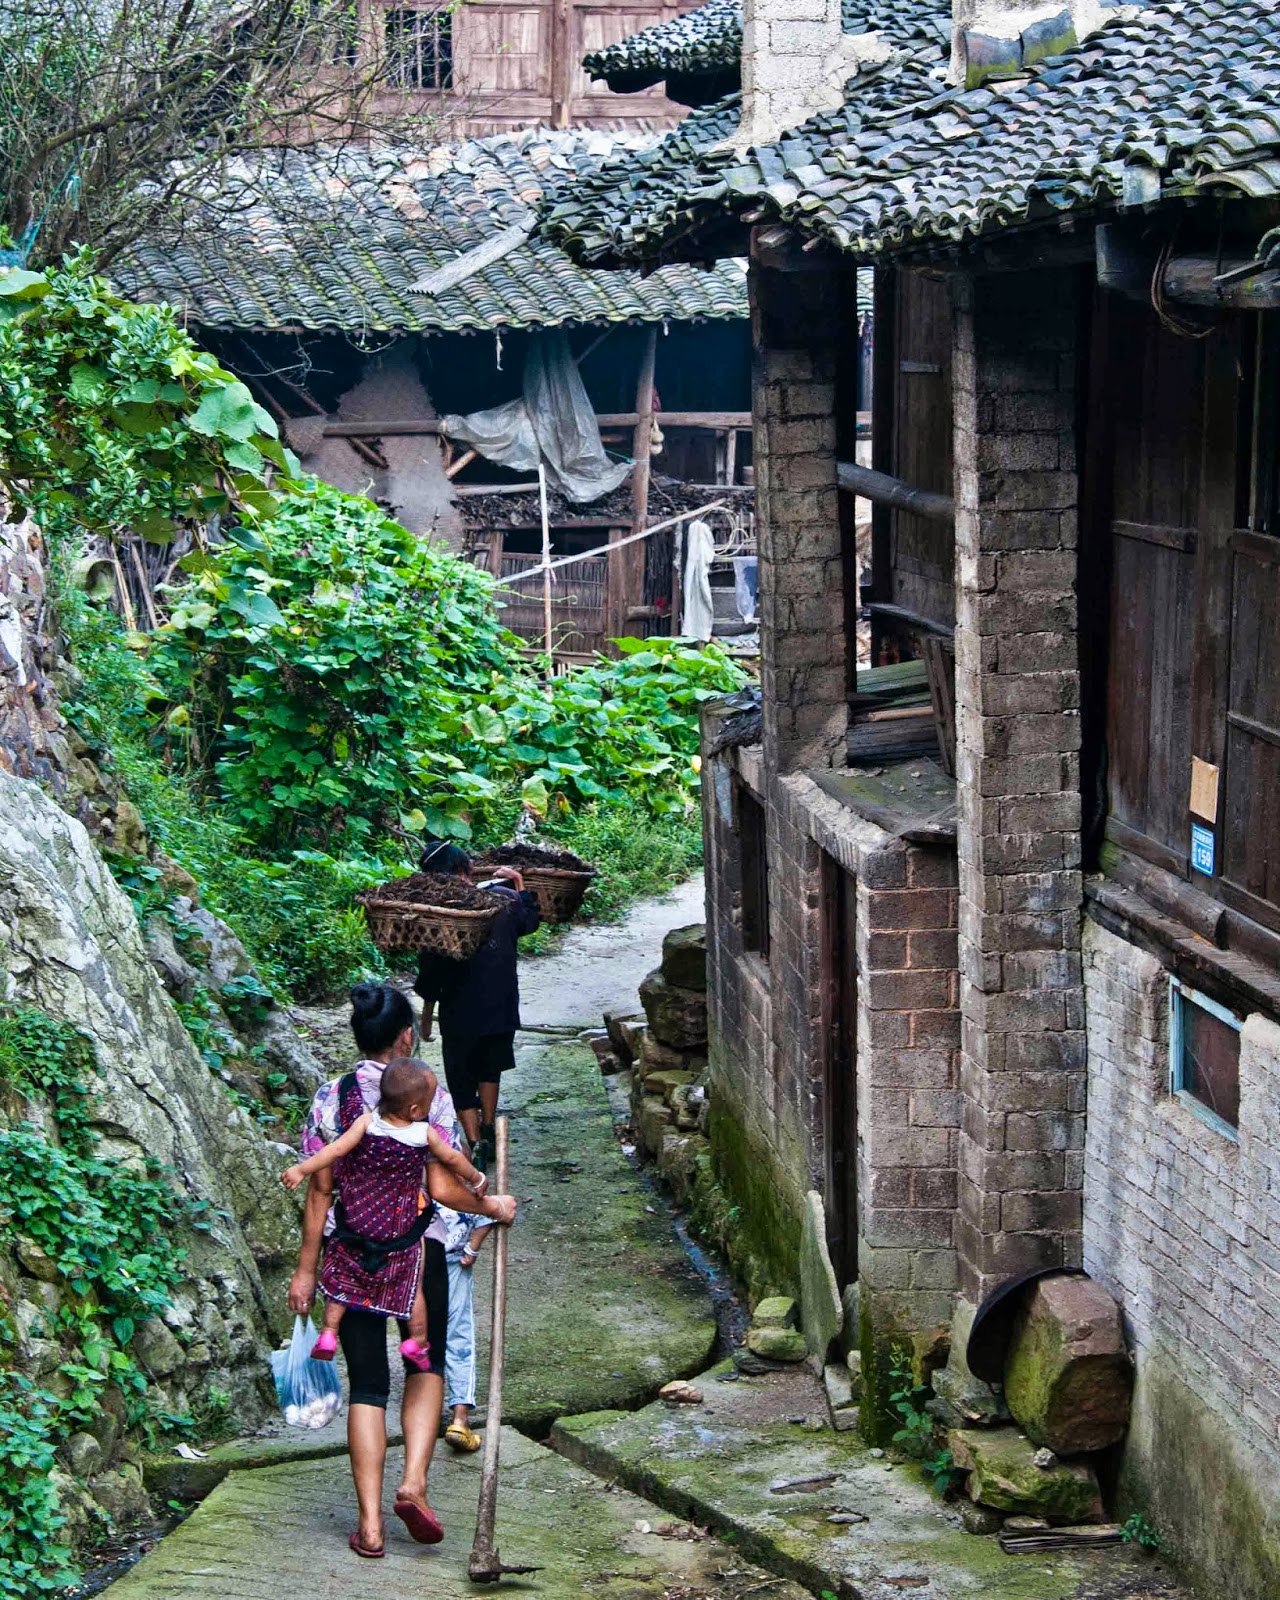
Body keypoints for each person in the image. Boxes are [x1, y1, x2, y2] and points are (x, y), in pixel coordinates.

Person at [287, 982, 517, 1560]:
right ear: (406, 1036)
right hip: (419, 1256)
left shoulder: (329, 1098)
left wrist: (305, 1272)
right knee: (427, 1362)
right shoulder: (428, 1097)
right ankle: (413, 1484)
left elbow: (320, 1189)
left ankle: (368, 1528)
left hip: (349, 1259)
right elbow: (443, 1185)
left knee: (366, 1384)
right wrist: (492, 1206)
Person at [280, 1058, 489, 1372]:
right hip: (399, 1227)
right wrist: (477, 1179)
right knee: (411, 1285)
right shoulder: (424, 1133)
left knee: (345, 1282)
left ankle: (328, 1333)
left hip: (359, 1221)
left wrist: (300, 1169)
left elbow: (333, 1152)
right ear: (416, 1110)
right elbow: (453, 1159)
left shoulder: (365, 1122)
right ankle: (416, 1341)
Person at [415, 840, 541, 1166]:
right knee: (490, 1068)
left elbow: (431, 971)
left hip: (460, 1012)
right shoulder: (505, 900)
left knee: (461, 1076)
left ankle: (474, 1142)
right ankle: (488, 1127)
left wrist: (428, 1015)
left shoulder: (436, 914)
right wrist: (519, 884)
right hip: (500, 1007)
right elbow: (530, 922)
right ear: (465, 869)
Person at [437, 1204, 494, 1453]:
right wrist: (471, 1249)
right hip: (454, 1266)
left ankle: (423, 1418)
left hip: (417, 1264)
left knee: (423, 1340)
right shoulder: (469, 1187)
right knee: (459, 1339)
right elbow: (487, 1216)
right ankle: (459, 1420)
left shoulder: (421, 1177)